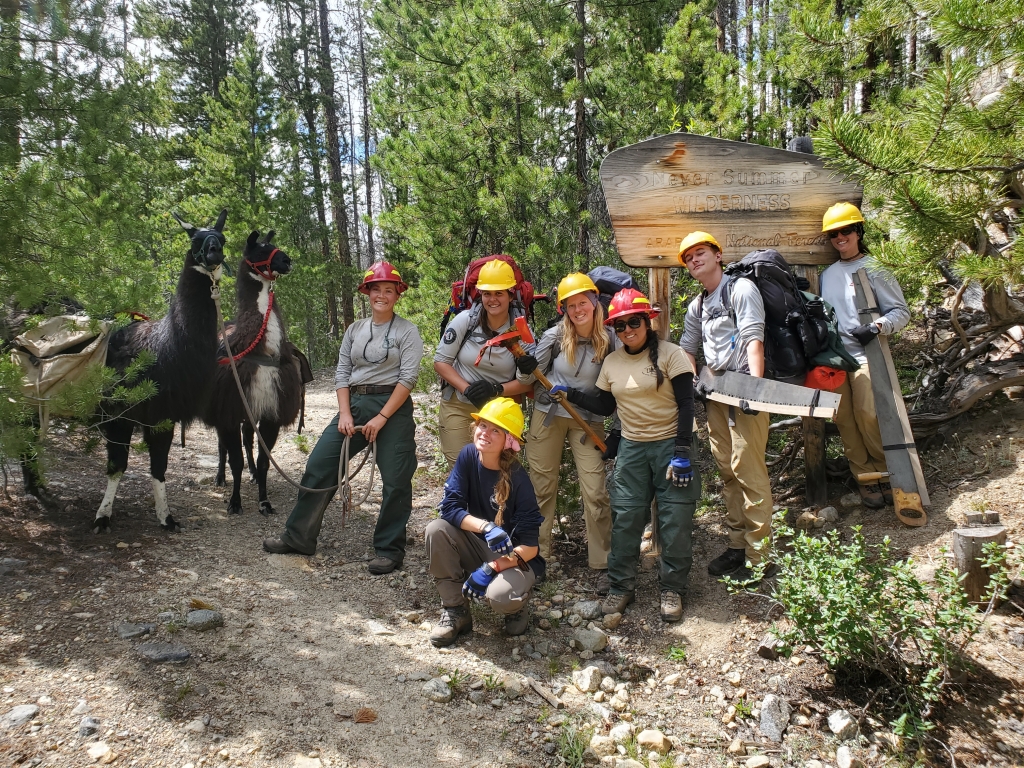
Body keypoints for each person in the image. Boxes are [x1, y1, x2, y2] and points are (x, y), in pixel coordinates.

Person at [262, 262, 423, 575]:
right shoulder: (355, 330)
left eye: (388, 290)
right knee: (320, 464)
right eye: (376, 289)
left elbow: (408, 378)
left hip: (393, 405)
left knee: (396, 478)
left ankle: (389, 549)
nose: (381, 295)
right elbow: (342, 372)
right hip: (356, 401)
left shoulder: (407, 331)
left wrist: (382, 418)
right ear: (367, 292)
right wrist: (346, 412)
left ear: (396, 295)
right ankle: (299, 536)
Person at [554, 288, 701, 623]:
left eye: (634, 321)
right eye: (619, 326)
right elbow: (607, 406)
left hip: (671, 446)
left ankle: (672, 588)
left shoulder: (670, 354)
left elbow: (686, 404)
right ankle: (621, 586)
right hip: (633, 450)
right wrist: (571, 394)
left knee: (675, 520)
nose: (627, 330)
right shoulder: (613, 362)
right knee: (626, 518)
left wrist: (681, 450)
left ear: (647, 320)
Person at [678, 231, 773, 582]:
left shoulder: (741, 289)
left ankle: (759, 554)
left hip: (746, 391)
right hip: (715, 394)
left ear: (718, 255)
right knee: (727, 471)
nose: (694, 260)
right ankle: (737, 545)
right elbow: (687, 346)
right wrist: (693, 382)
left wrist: (755, 390)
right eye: (688, 258)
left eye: (700, 253)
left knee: (748, 470)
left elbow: (753, 339)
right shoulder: (697, 305)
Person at [517, 273, 615, 593]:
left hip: (589, 420)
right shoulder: (555, 336)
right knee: (542, 488)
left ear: (594, 301)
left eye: (582, 302)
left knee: (596, 491)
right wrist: (524, 364)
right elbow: (531, 375)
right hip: (549, 416)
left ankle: (602, 563)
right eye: (570, 305)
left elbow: (616, 388)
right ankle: (536, 556)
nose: (577, 310)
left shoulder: (610, 338)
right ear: (564, 309)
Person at [425, 397, 544, 647]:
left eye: (496, 430)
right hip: (478, 545)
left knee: (502, 598)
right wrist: (486, 527)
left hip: (515, 558)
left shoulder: (519, 479)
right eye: (482, 425)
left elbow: (531, 548)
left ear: (508, 441)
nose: (485, 433)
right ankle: (456, 611)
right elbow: (449, 507)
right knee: (436, 530)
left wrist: (492, 568)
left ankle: (516, 606)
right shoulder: (468, 455)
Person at [820, 202, 910, 508]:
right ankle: (865, 479)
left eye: (846, 230)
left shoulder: (875, 268)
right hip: (836, 360)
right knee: (844, 419)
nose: (840, 237)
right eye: (833, 233)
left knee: (870, 415)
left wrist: (876, 327)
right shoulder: (827, 274)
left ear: (858, 231)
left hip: (866, 356)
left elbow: (900, 311)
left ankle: (889, 473)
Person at [433, 258, 535, 468]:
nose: (492, 299)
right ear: (480, 294)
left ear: (510, 294)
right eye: (487, 293)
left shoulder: (522, 330)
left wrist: (496, 389)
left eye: (499, 293)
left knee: (496, 469)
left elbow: (528, 381)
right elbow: (441, 362)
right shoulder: (465, 321)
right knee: (460, 466)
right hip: (459, 404)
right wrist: (468, 389)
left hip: (499, 410)